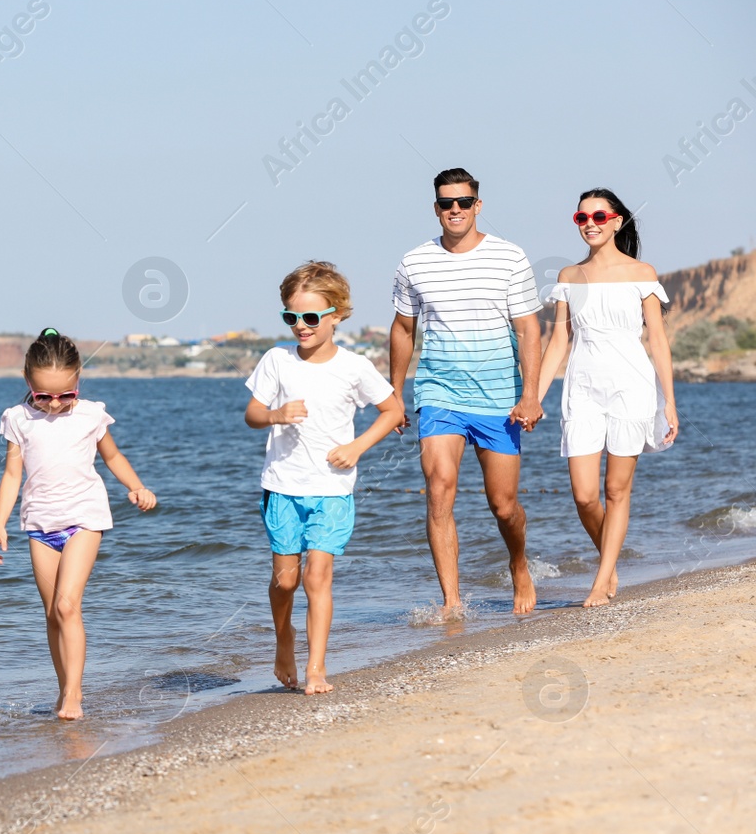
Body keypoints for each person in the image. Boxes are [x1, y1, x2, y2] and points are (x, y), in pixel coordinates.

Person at [389, 167, 545, 616]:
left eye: (462, 202)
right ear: (435, 208)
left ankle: (518, 564)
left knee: (503, 505)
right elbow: (403, 329)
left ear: (478, 206)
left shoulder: (510, 258)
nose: (453, 210)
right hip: (439, 392)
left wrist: (530, 394)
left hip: (500, 396)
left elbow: (529, 329)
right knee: (439, 487)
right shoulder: (413, 263)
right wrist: (395, 393)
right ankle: (452, 602)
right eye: (445, 203)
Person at [245, 262, 403, 694]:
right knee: (286, 580)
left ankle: (316, 668)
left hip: (333, 488)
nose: (301, 326)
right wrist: (275, 414)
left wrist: (356, 448)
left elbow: (393, 412)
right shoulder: (276, 360)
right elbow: (253, 414)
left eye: (311, 317)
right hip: (282, 486)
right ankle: (284, 638)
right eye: (291, 317)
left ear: (337, 315)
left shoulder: (354, 367)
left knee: (317, 576)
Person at [0, 328, 157, 720]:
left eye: (66, 394)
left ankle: (75, 695)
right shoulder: (18, 419)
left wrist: (136, 486)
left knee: (68, 605)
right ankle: (63, 688)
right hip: (39, 525)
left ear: (78, 381)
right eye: (43, 396)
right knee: (52, 613)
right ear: (28, 384)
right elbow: (12, 475)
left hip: (85, 518)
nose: (55, 404)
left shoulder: (90, 414)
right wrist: (0, 526)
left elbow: (113, 457)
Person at [533, 188, 678, 607]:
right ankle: (609, 561)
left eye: (599, 216)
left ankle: (600, 582)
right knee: (584, 495)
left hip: (631, 388)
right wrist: (535, 398)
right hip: (582, 389)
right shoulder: (568, 277)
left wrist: (668, 401)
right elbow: (558, 342)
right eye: (582, 218)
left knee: (617, 489)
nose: (590, 224)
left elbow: (658, 341)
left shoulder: (641, 272)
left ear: (617, 221)